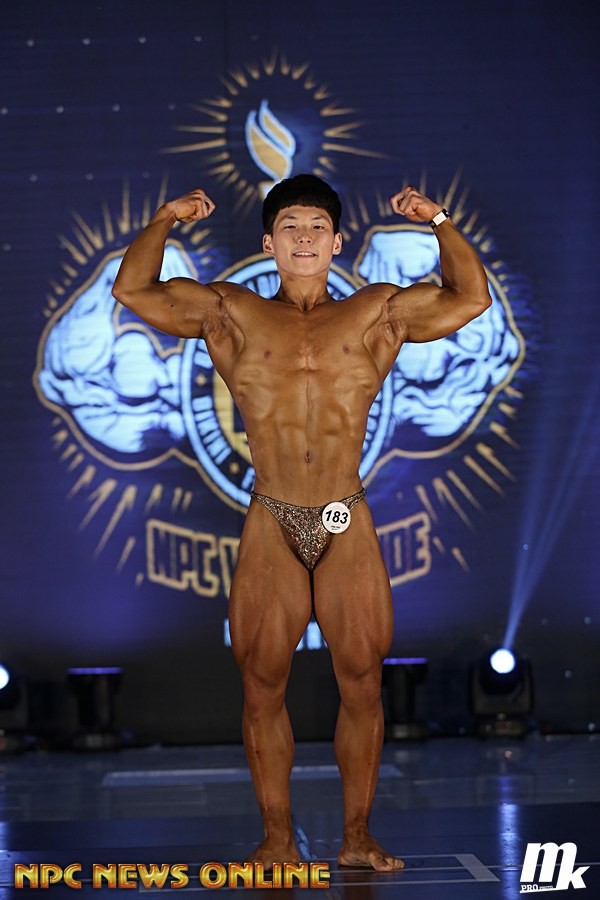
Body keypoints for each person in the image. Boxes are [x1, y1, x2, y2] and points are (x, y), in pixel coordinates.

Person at [112, 174, 492, 871]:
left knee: (363, 682)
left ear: (337, 241)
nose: (305, 237)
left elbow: (471, 297)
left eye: (318, 227)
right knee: (261, 685)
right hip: (272, 514)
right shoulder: (232, 312)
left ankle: (357, 837)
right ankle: (278, 838)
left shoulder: (376, 312)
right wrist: (166, 216)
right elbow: (133, 290)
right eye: (291, 227)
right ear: (269, 243)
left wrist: (436, 218)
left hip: (346, 513)